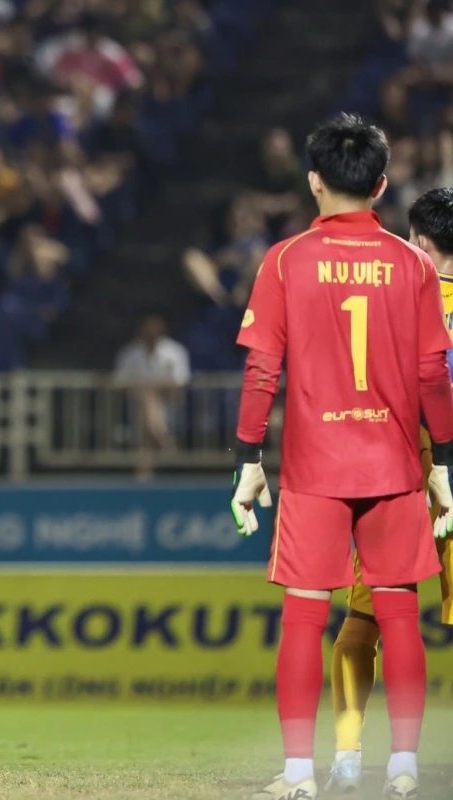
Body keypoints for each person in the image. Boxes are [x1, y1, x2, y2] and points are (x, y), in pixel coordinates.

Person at [229, 113, 453, 800]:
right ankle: (405, 767)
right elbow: (431, 377)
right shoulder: (414, 265)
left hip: (314, 468)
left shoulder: (285, 260)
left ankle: (301, 772)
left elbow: (262, 371)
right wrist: (440, 463)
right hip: (392, 467)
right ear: (383, 183)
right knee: (397, 613)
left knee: (304, 616)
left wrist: (248, 461)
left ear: (313, 181)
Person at [324, 187, 453, 794]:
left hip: (401, 466)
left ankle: (349, 754)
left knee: (364, 618)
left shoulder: (390, 294)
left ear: (421, 243)